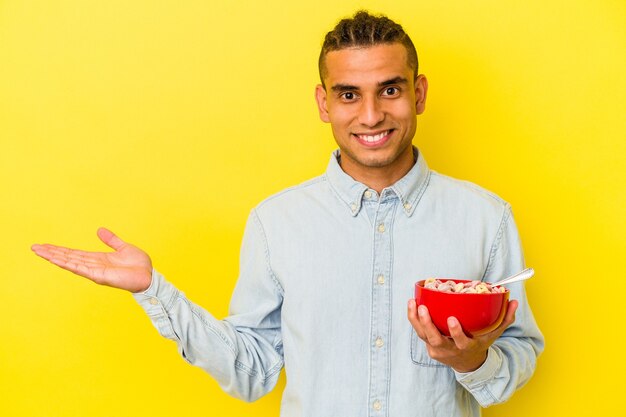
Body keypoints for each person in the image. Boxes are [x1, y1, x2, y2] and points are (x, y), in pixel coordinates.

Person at [32, 10, 544, 417]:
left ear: (419, 93)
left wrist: (472, 360)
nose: (370, 115)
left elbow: (519, 354)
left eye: (390, 89)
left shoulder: (485, 218)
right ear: (324, 103)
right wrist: (154, 292)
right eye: (349, 95)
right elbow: (251, 370)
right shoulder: (276, 223)